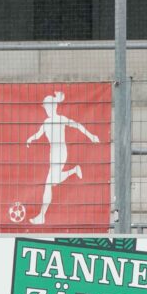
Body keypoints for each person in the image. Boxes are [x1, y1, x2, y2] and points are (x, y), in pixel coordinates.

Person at [25, 92, 100, 225]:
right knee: (53, 182)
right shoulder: (46, 122)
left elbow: (77, 125)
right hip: (52, 153)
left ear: (53, 107)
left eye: (48, 107)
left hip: (60, 152)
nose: (47, 110)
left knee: (49, 184)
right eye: (45, 108)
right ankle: (73, 171)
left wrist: (91, 135)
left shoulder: (61, 119)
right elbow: (39, 133)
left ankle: (41, 215)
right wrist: (31, 138)